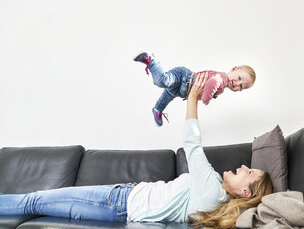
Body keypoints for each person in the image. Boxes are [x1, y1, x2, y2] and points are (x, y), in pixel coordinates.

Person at [0, 73, 273, 229]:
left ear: (244, 192)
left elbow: (191, 143)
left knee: (33, 201)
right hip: (123, 197)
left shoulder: (213, 191)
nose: (243, 166)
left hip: (118, 204)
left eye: (248, 173)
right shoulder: (213, 190)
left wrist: (192, 98)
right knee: (34, 202)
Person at [134, 51, 256, 126]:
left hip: (183, 90)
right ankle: (151, 60)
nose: (236, 83)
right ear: (234, 69)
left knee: (167, 97)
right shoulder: (223, 79)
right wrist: (206, 99)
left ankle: (157, 109)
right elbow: (211, 83)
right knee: (161, 81)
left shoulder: (223, 86)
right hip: (183, 78)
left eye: (241, 86)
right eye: (239, 78)